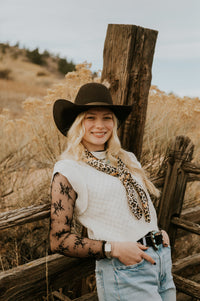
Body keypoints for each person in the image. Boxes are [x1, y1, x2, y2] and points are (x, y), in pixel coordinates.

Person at [50, 82, 176, 301]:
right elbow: (59, 239)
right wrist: (113, 249)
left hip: (160, 259)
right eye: (90, 117)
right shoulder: (69, 169)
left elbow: (133, 207)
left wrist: (156, 232)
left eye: (106, 117)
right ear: (78, 123)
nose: (100, 125)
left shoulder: (127, 159)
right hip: (125, 270)